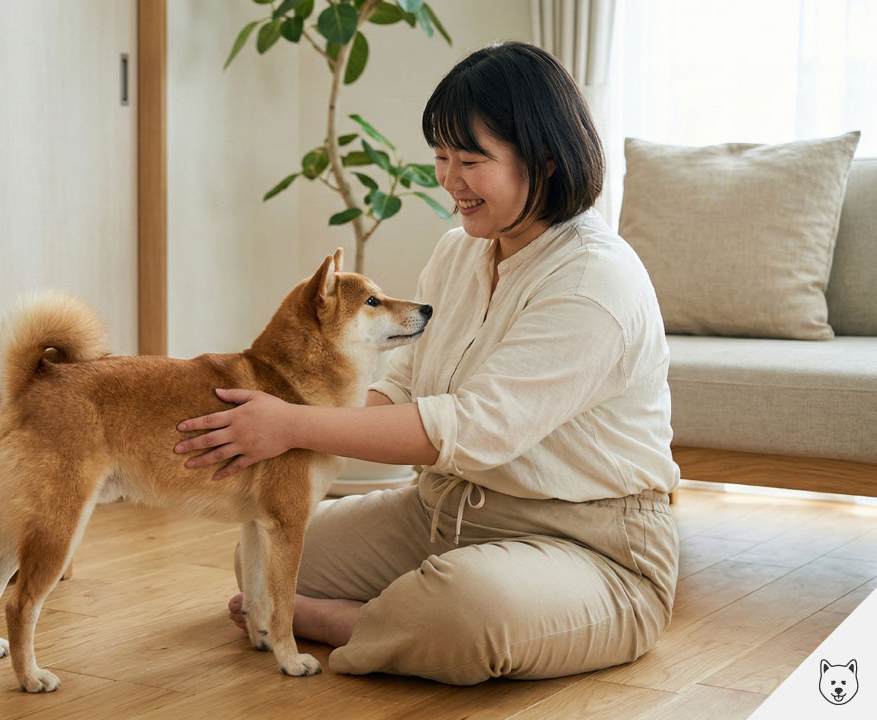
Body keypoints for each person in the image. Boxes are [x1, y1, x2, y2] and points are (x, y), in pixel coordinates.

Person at [171, 41, 679, 685]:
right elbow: (405, 385)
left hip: (595, 546)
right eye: (441, 157)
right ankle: (370, 610)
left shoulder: (591, 280)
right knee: (273, 545)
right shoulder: (459, 252)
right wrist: (273, 423)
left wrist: (291, 426)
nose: (449, 180)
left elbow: (477, 428)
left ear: (547, 162)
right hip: (446, 511)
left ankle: (343, 622)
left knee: (466, 611)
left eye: (471, 160)